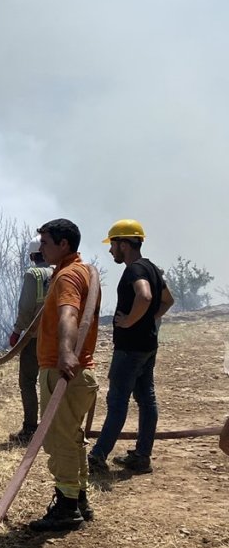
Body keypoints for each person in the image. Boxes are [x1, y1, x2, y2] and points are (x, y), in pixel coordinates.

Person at [87, 220, 175, 475]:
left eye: (113, 245)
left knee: (117, 402)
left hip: (129, 349)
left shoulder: (135, 270)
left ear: (124, 244)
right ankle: (142, 456)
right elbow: (168, 300)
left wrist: (129, 321)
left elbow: (145, 296)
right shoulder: (153, 268)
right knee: (146, 400)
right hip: (148, 345)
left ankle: (97, 456)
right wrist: (147, 320)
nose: (111, 250)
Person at [28, 218, 100, 531]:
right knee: (72, 438)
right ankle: (78, 498)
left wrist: (66, 354)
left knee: (59, 441)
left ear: (64, 244)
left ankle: (67, 506)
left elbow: (69, 314)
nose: (41, 247)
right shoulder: (80, 271)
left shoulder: (69, 276)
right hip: (77, 373)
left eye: (45, 242)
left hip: (63, 373)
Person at [9, 239, 53, 444]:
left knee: (28, 382)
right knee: (52, 382)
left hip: (35, 338)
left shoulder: (33, 274)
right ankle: (54, 427)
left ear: (32, 256)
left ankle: (30, 429)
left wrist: (17, 330)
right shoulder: (60, 271)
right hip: (57, 337)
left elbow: (26, 307)